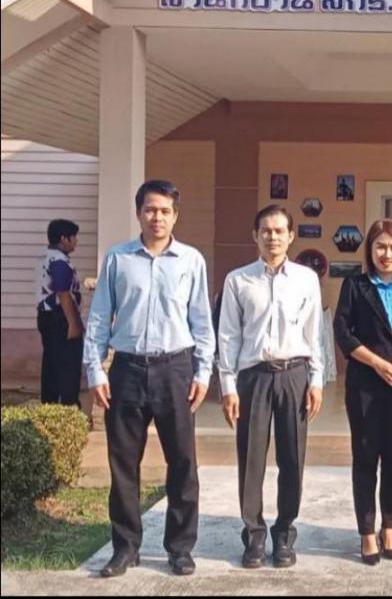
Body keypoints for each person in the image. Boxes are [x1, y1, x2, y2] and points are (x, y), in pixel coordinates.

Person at [84, 180, 214, 578]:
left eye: (165, 211)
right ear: (139, 212)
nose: (157, 217)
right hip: (126, 370)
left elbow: (202, 321)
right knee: (124, 463)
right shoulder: (118, 259)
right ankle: (125, 548)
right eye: (150, 210)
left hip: (176, 370)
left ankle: (180, 548)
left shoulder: (190, 261)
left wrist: (203, 372)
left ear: (176, 216)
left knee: (183, 462)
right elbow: (99, 317)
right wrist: (95, 369)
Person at [217, 205, 325, 570]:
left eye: (280, 231)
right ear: (255, 235)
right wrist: (228, 385)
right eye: (266, 230)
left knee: (292, 458)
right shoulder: (238, 280)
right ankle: (254, 535)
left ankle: (284, 533)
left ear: (291, 236)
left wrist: (316, 380)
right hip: (254, 377)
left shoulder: (306, 279)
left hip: (295, 374)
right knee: (251, 459)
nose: (273, 237)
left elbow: (315, 333)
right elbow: (228, 335)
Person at [333, 219, 392, 565]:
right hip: (365, 385)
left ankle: (389, 527)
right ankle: (367, 532)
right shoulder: (355, 286)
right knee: (366, 458)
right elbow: (342, 331)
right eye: (381, 246)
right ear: (369, 250)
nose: (387, 254)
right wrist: (378, 363)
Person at [35, 218, 84, 406]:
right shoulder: (59, 261)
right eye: (74, 237)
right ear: (64, 239)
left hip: (46, 316)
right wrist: (73, 323)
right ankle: (69, 406)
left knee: (51, 364)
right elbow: (63, 293)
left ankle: (50, 406)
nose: (76, 241)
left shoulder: (44, 257)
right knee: (68, 365)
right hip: (60, 318)